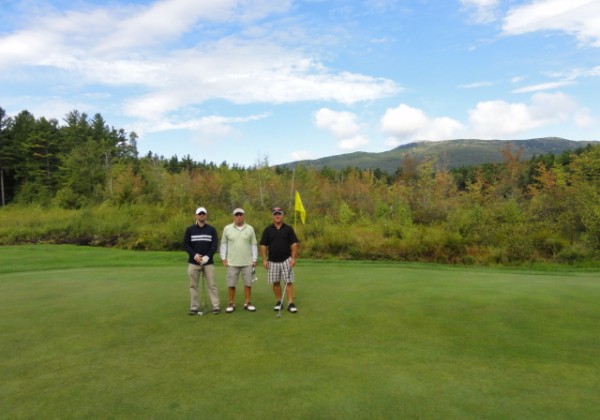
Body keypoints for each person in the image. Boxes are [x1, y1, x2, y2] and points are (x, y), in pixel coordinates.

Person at [260, 207, 299, 313]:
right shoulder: (268, 230)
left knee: (288, 282)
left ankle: (290, 303)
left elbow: (294, 244)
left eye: (279, 214)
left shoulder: (288, 229)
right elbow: (263, 245)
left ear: (283, 215)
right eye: (275, 214)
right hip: (272, 260)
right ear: (273, 216)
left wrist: (293, 258)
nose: (277, 216)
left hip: (286, 259)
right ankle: (279, 301)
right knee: (276, 282)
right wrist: (264, 260)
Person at [220, 208, 258, 313]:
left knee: (248, 283)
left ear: (244, 216)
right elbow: (223, 244)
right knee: (231, 284)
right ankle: (231, 303)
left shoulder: (250, 228)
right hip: (232, 261)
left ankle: (247, 302)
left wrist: (254, 258)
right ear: (234, 216)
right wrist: (223, 257)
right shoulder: (227, 228)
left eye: (241, 215)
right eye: (237, 215)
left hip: (247, 261)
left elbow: (253, 244)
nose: (239, 217)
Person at [183, 207, 220, 315]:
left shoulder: (211, 230)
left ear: (206, 215)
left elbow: (214, 245)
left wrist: (207, 256)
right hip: (193, 262)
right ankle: (194, 307)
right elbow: (186, 245)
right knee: (193, 285)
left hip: (208, 263)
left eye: (203, 214)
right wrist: (194, 255)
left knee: (212, 285)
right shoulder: (190, 230)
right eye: (199, 214)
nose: (201, 215)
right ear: (196, 216)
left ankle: (216, 306)